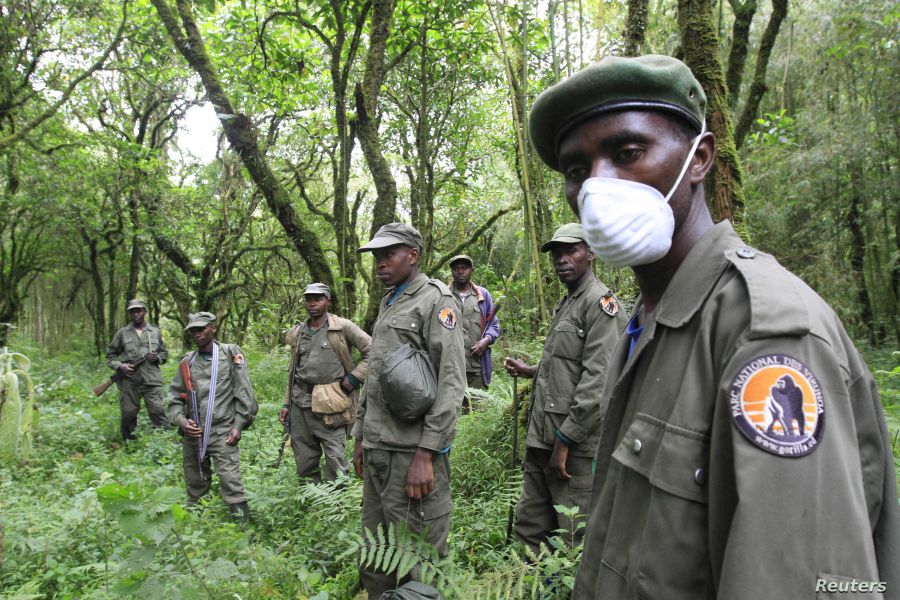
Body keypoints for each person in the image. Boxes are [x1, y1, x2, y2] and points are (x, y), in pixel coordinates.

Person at [527, 54, 900, 599]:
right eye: (576, 170)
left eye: (628, 153)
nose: (596, 188)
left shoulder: (768, 335)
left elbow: (793, 579)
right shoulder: (648, 319)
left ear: (699, 159)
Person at [352, 223, 466, 599]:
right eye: (377, 256)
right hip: (379, 450)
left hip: (411, 453)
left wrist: (426, 453)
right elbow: (376, 377)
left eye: (389, 254)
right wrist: (360, 438)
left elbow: (451, 383)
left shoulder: (436, 300)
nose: (380, 263)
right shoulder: (389, 301)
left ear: (413, 255)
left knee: (418, 558)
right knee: (376, 552)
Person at [503, 223, 625, 553]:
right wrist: (531, 370)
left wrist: (565, 440)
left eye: (571, 251)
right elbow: (566, 364)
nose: (562, 259)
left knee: (574, 538)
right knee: (530, 528)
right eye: (557, 254)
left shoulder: (601, 305)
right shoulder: (566, 303)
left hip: (573, 447)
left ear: (591, 252)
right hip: (542, 436)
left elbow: (598, 382)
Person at [167, 312, 258, 523]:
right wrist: (182, 421)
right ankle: (196, 530)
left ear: (213, 328)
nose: (197, 334)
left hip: (222, 430)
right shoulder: (187, 362)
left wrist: (238, 425)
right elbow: (173, 399)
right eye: (193, 331)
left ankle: (244, 530)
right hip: (193, 433)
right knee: (195, 482)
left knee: (231, 481)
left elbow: (244, 393)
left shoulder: (229, 354)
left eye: (201, 329)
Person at [279, 283, 372, 482]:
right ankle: (310, 506)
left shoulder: (342, 327)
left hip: (332, 405)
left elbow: (374, 352)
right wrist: (287, 403)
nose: (312, 303)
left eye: (318, 298)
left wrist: (353, 379)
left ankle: (337, 507)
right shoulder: (299, 332)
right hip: (300, 405)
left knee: (336, 462)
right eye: (308, 299)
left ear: (328, 301)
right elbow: (293, 371)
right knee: (304, 462)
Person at [105, 299, 168, 441]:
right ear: (129, 314)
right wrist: (121, 366)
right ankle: (130, 444)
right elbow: (110, 356)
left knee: (157, 411)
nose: (136, 314)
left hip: (151, 380)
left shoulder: (155, 332)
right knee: (128, 414)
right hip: (129, 381)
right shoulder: (122, 333)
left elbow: (164, 353)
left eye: (139, 310)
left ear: (145, 311)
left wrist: (157, 358)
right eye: (132, 311)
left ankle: (162, 443)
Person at [448, 254, 500, 412]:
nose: (460, 272)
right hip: (451, 366)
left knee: (478, 411)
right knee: (453, 411)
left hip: (477, 365)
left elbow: (494, 324)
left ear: (472, 270)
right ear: (452, 272)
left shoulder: (483, 295)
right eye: (456, 269)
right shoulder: (444, 295)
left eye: (464, 268)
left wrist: (486, 341)